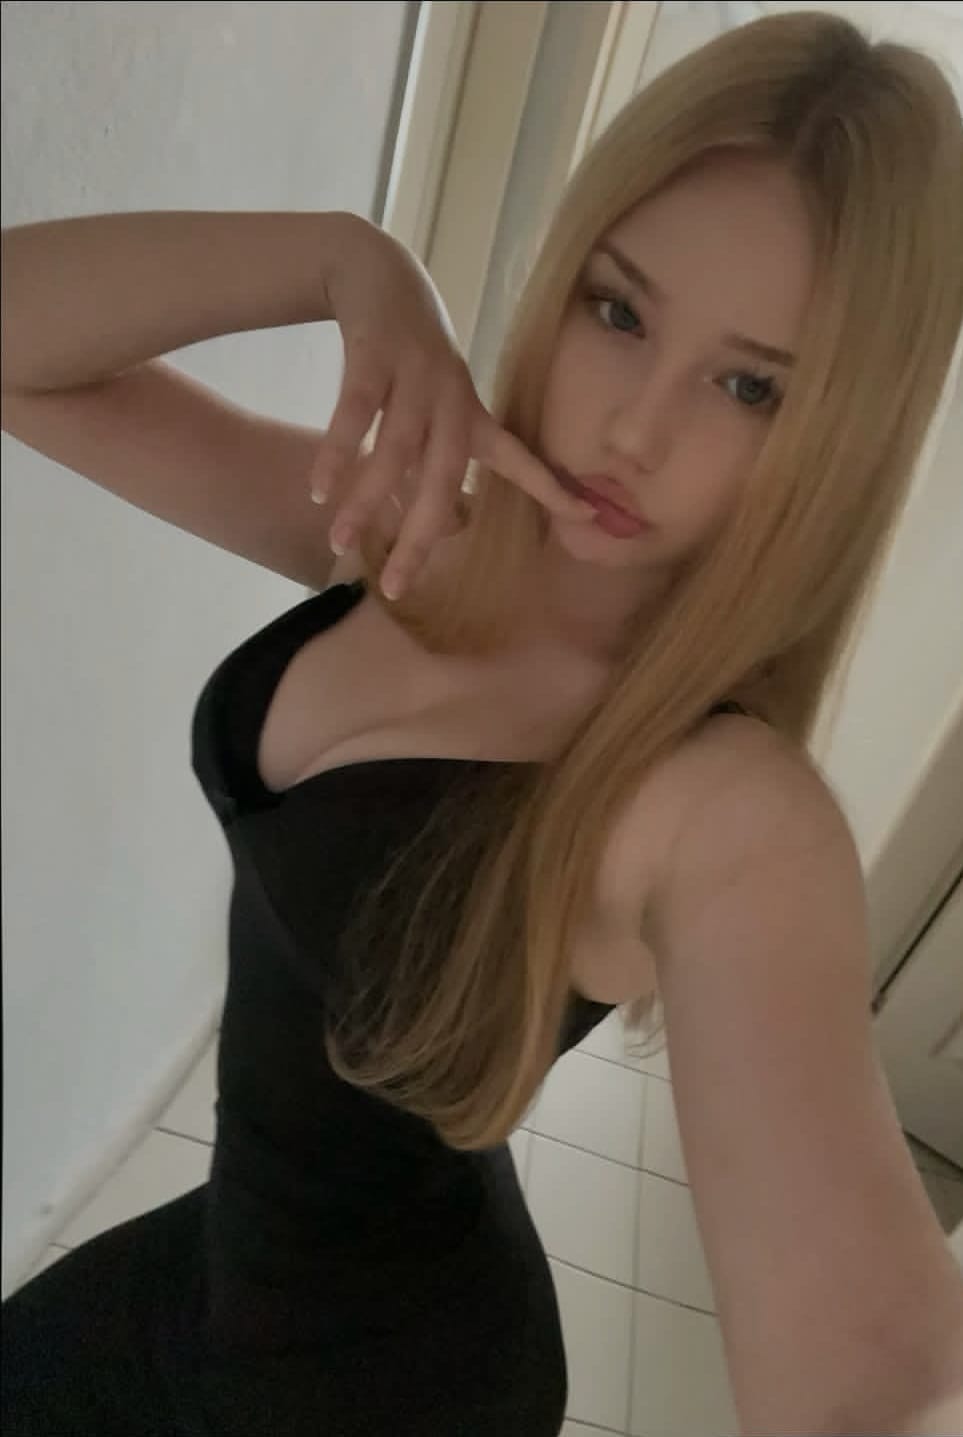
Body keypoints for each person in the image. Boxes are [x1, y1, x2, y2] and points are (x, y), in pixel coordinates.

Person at [3, 9, 963, 1435]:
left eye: (751, 385)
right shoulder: (414, 536)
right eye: (619, 311)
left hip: (398, 1394)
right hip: (221, 1263)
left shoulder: (720, 808)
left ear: (841, 439)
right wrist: (347, 260)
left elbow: (878, 1382)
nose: (634, 428)